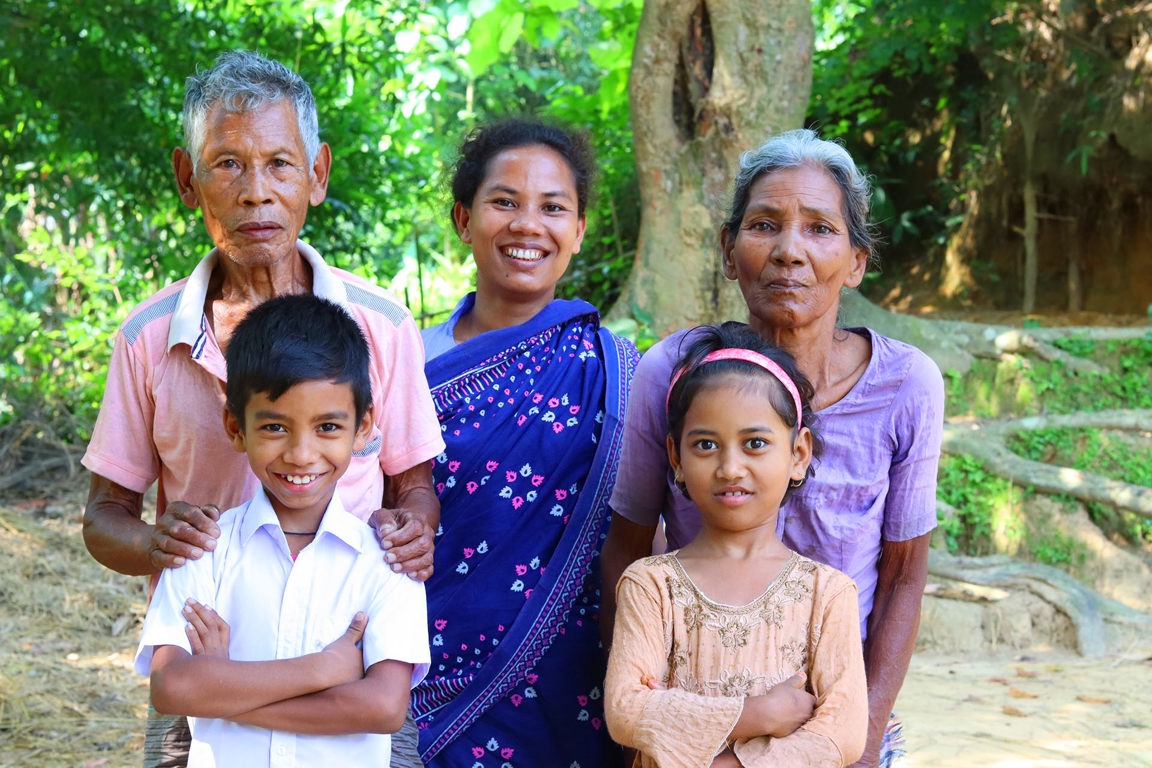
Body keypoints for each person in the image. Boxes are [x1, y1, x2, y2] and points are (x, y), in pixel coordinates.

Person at [80, 50, 444, 766]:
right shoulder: (150, 340)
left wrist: (414, 526)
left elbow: (415, 483)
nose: (256, 192)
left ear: (319, 174)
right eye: (227, 164)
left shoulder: (382, 327)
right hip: (205, 656)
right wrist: (158, 542)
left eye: (280, 163)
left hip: (353, 666)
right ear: (189, 180)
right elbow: (103, 518)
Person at [602, 128, 945, 768]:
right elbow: (627, 545)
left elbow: (902, 578)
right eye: (764, 226)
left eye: (820, 228)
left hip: (833, 728)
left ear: (857, 261)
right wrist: (647, 740)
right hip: (691, 733)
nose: (790, 251)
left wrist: (860, 747)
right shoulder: (671, 371)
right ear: (730, 251)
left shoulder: (906, 386)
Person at [404, 118, 638, 768]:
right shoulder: (405, 364)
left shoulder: (619, 373)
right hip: (422, 695)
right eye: (504, 201)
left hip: (576, 698)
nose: (528, 225)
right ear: (463, 217)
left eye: (553, 207)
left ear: (580, 229)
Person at [135, 294, 430, 767]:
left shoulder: (388, 558)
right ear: (236, 427)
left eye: (328, 426)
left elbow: (382, 707)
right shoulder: (202, 548)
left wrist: (225, 690)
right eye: (274, 426)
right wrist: (324, 670)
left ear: (363, 428)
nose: (300, 454)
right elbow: (173, 688)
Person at [605, 322, 867, 768]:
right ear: (676, 459)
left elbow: (842, 731)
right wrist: (754, 714)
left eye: (755, 444)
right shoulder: (652, 586)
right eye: (706, 444)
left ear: (798, 454)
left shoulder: (827, 594)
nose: (730, 467)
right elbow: (627, 709)